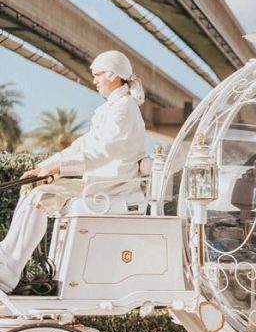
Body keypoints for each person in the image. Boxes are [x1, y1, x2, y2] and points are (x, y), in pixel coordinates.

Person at [0, 50, 147, 293]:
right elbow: (82, 146)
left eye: (98, 74)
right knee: (32, 188)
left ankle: (9, 271)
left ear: (114, 75)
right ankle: (6, 257)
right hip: (102, 182)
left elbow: (102, 152)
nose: (95, 80)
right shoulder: (114, 108)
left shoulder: (124, 110)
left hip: (112, 186)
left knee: (40, 196)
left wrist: (58, 168)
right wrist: (44, 167)